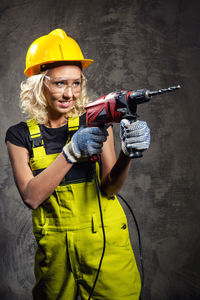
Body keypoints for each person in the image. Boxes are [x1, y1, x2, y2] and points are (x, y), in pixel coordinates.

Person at [5, 29, 150, 300]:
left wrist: (127, 154)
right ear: (39, 84)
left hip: (107, 254)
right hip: (58, 262)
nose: (69, 94)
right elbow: (32, 196)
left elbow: (110, 188)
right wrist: (71, 153)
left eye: (76, 83)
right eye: (59, 83)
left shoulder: (94, 120)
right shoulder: (19, 136)